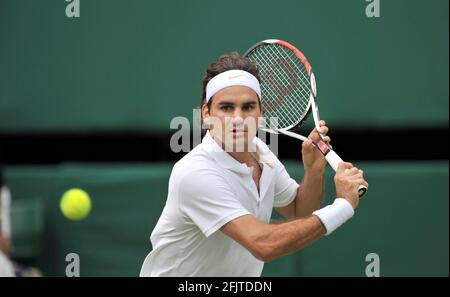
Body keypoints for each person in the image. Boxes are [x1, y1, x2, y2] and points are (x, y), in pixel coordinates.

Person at [140, 52, 368, 276]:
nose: (238, 118)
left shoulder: (262, 154)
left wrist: (314, 170)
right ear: (206, 113)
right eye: (226, 108)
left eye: (248, 107)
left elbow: (299, 212)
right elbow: (263, 244)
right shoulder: (194, 173)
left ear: (261, 112)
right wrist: (343, 206)